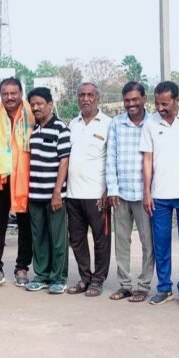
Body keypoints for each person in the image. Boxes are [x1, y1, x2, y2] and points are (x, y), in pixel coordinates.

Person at [140, 81, 179, 306]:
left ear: (177, 100)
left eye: (165, 104)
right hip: (159, 194)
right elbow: (147, 158)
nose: (160, 108)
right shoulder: (151, 123)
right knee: (161, 243)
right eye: (157, 104)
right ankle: (164, 287)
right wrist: (147, 191)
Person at [106, 82, 155, 303]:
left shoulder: (153, 123)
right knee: (121, 241)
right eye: (127, 100)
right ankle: (125, 285)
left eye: (135, 99)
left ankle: (143, 286)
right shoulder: (117, 123)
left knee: (148, 242)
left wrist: (150, 191)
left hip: (146, 194)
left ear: (144, 99)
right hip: (122, 192)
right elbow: (111, 157)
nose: (131, 104)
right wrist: (112, 188)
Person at [0, 78, 35, 287]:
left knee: (26, 226)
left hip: (25, 178)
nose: (10, 97)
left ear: (21, 93)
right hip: (1, 178)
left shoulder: (32, 117)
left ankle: (22, 267)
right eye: (5, 94)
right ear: (1, 95)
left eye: (13, 93)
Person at [23, 87, 70, 295]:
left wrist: (57, 192)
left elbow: (64, 161)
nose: (36, 107)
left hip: (54, 195)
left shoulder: (61, 129)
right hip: (35, 194)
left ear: (50, 104)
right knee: (39, 238)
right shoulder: (32, 130)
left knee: (58, 239)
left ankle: (59, 278)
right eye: (32, 104)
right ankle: (41, 275)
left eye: (40, 103)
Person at [65, 83, 111, 297]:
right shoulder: (72, 124)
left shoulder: (108, 124)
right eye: (82, 95)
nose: (85, 99)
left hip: (97, 194)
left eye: (90, 95)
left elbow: (112, 159)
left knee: (101, 240)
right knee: (76, 239)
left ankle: (98, 280)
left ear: (97, 98)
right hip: (73, 194)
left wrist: (108, 190)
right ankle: (85, 278)